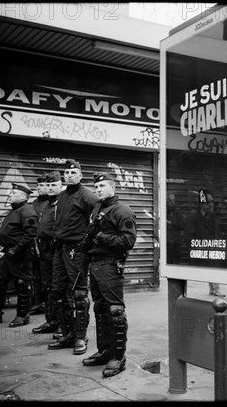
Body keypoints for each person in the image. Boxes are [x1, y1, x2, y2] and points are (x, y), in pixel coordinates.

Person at [79, 172, 136, 377]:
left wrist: (101, 236)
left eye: (103, 186)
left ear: (113, 187)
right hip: (95, 265)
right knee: (101, 309)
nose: (99, 189)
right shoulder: (97, 208)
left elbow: (128, 241)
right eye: (97, 187)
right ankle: (104, 351)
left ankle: (118, 357)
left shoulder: (122, 210)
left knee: (115, 310)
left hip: (111, 265)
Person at [48, 159, 98, 355]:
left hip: (76, 251)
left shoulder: (87, 196)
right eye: (66, 173)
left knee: (79, 294)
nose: (69, 175)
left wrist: (86, 245)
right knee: (58, 292)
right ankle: (68, 334)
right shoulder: (61, 196)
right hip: (59, 250)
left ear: (80, 175)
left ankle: (80, 337)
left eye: (73, 172)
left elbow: (96, 222)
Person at [0, 183, 38, 327]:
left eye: (13, 193)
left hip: (21, 254)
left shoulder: (27, 211)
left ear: (23, 196)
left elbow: (30, 234)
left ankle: (23, 316)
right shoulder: (15, 210)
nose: (9, 195)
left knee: (23, 284)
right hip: (9, 253)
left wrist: (16, 250)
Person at [32, 171, 64, 334]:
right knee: (47, 286)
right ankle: (51, 320)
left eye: (53, 185)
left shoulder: (63, 203)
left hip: (57, 248)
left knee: (60, 287)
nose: (50, 188)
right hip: (44, 249)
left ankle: (62, 324)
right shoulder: (45, 204)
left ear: (61, 186)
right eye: (48, 185)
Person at [184, 189, 225, 297]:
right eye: (208, 202)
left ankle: (215, 288)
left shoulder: (215, 218)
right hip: (200, 250)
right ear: (201, 204)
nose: (211, 205)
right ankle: (214, 288)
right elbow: (188, 237)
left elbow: (218, 233)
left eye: (212, 202)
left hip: (213, 249)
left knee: (214, 267)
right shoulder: (192, 218)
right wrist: (197, 247)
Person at [28, 173, 49, 315]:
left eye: (42, 185)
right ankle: (38, 302)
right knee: (36, 274)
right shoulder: (34, 203)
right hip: (35, 243)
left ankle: (49, 304)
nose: (39, 188)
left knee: (47, 275)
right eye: (38, 186)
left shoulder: (54, 202)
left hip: (48, 244)